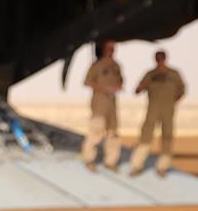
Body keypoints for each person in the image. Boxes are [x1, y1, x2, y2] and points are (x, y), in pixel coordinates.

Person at [129, 50, 186, 176]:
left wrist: (172, 101)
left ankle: (163, 166)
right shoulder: (150, 74)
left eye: (162, 58)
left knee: (167, 137)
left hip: (168, 111)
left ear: (165, 59)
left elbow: (182, 90)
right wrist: (142, 86)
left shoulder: (174, 74)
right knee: (145, 137)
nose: (160, 61)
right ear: (155, 60)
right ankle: (137, 165)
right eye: (158, 59)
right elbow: (137, 90)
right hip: (153, 110)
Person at [79, 40, 124, 170]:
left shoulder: (116, 65)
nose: (112, 51)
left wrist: (118, 86)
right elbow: (87, 82)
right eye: (109, 48)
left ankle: (111, 161)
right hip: (100, 102)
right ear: (103, 49)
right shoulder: (97, 65)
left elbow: (120, 79)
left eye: (113, 48)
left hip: (112, 103)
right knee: (96, 130)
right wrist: (104, 88)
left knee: (112, 132)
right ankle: (89, 159)